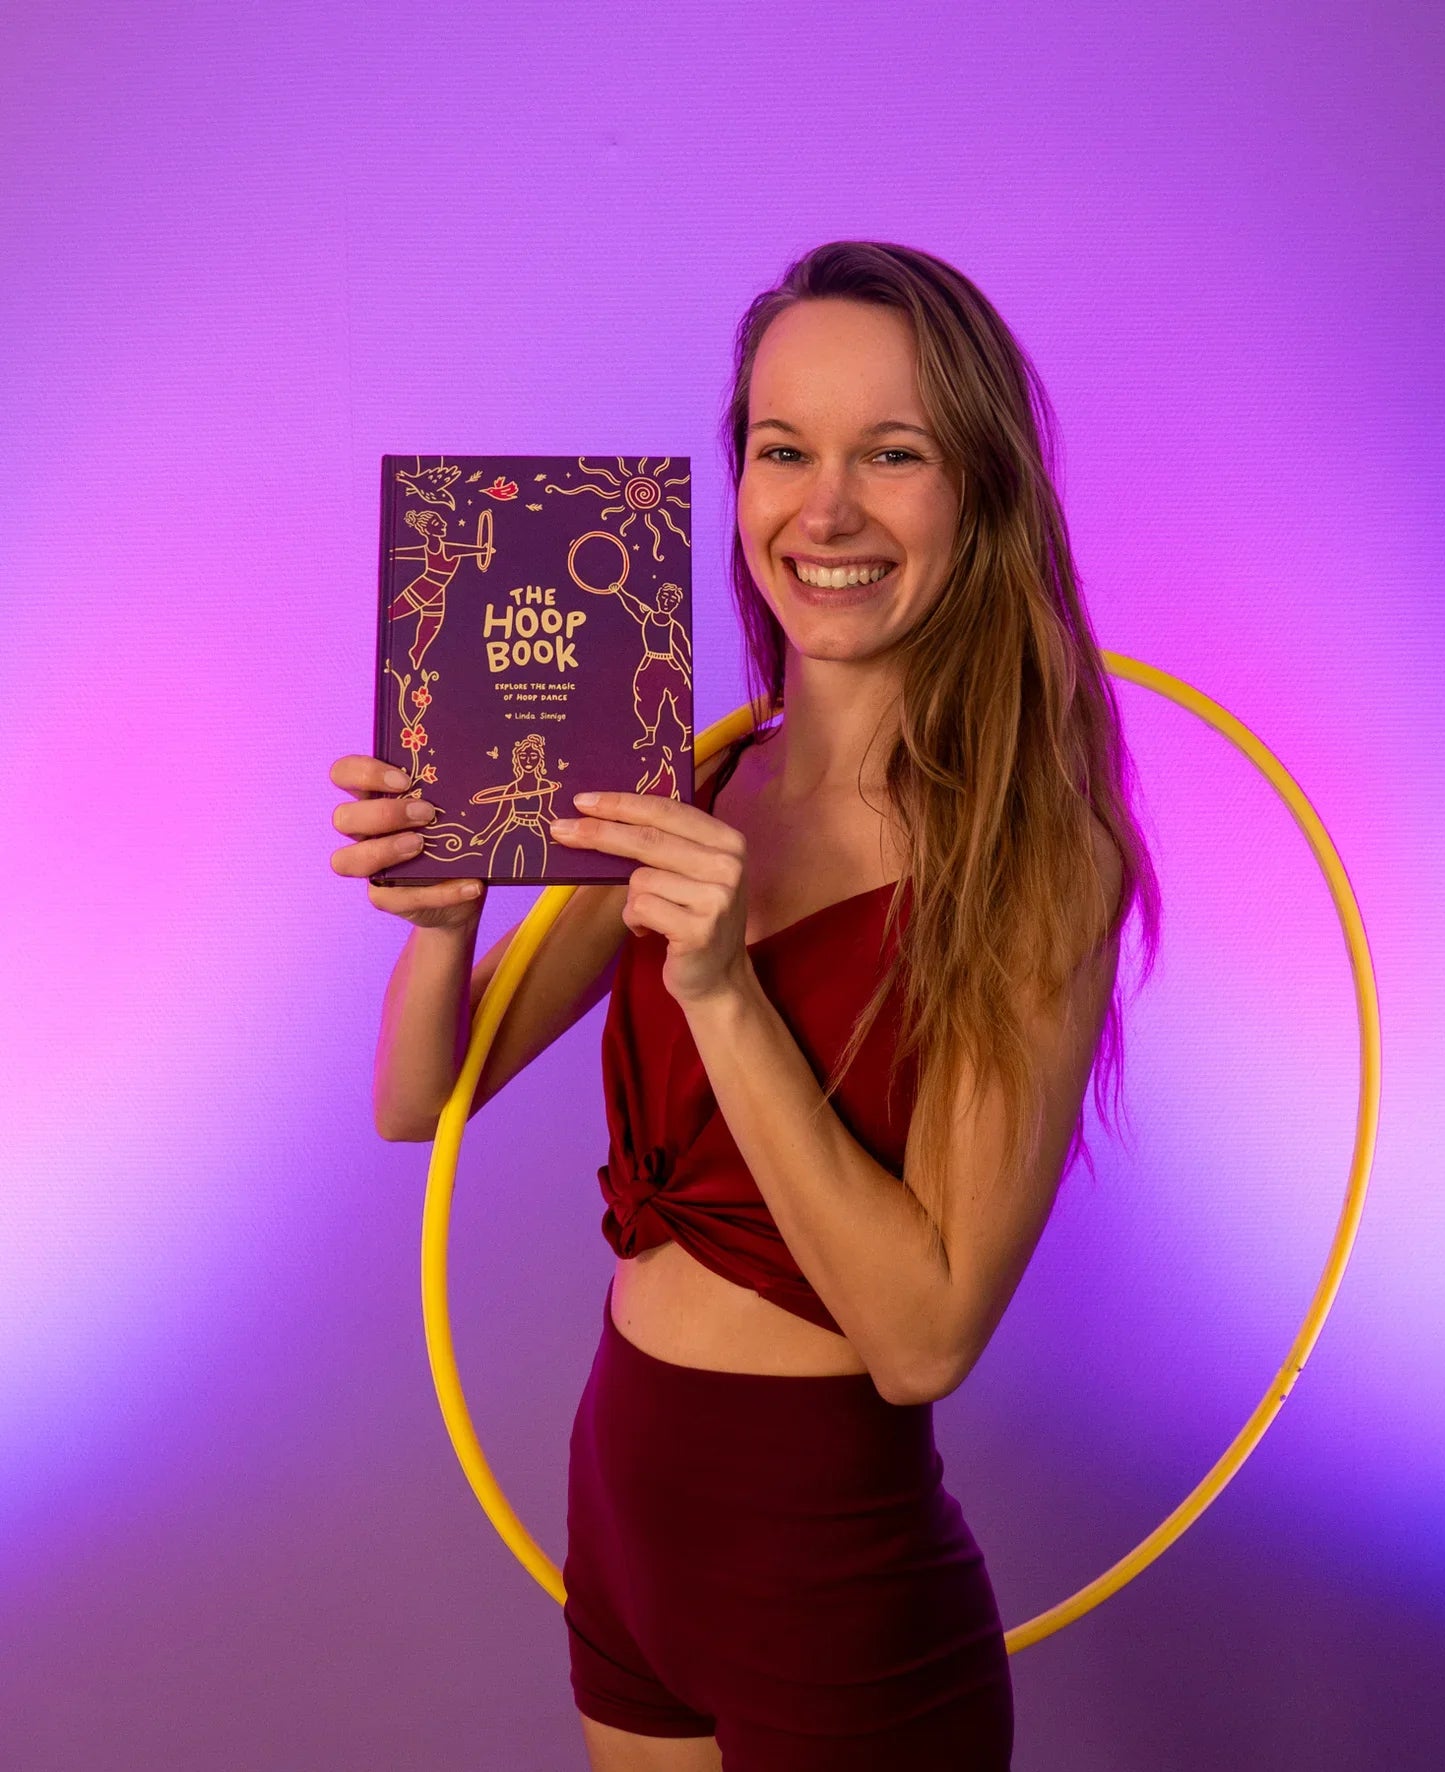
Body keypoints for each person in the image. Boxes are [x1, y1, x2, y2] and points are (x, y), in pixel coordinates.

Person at [329, 240, 1159, 1772]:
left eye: (891, 455)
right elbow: (412, 1105)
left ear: (977, 489)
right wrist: (445, 924)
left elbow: (921, 1340)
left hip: (826, 1583)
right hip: (621, 1535)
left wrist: (718, 986)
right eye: (784, 450)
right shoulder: (689, 780)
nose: (824, 509)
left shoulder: (1036, 861)